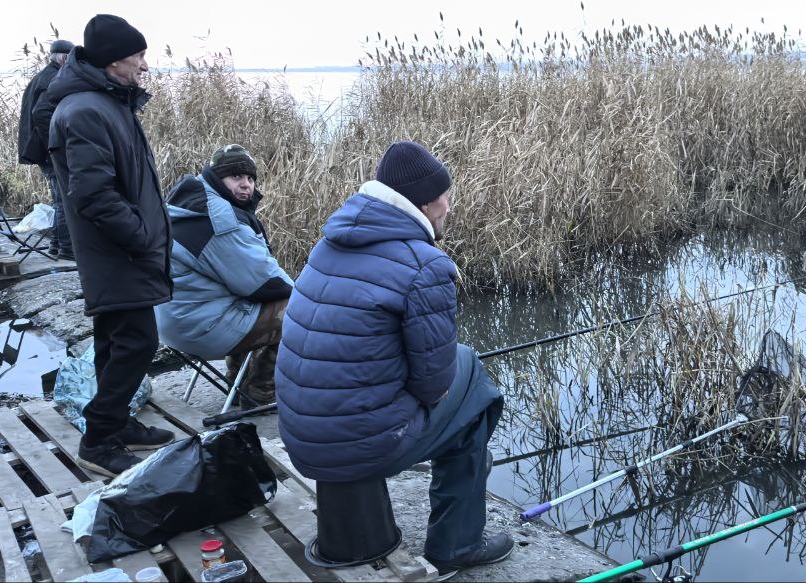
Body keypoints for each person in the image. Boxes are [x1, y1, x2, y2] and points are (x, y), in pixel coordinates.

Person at [276, 141, 512, 579]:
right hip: (358, 443)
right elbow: (433, 386)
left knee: (448, 369)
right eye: (446, 196)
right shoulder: (426, 266)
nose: (449, 206)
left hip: (302, 435)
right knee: (476, 394)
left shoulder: (328, 244)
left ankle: (366, 529)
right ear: (424, 203)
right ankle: (457, 545)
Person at [45, 14, 174, 477]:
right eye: (138, 55)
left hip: (121, 248)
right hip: (116, 250)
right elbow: (93, 194)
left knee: (114, 339)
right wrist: (140, 236)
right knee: (138, 342)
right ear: (113, 60)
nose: (144, 64)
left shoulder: (107, 102)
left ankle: (117, 423)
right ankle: (99, 440)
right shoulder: (85, 110)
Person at [155, 145, 291, 405]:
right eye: (236, 176)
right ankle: (260, 392)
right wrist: (306, 293)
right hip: (199, 326)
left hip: (174, 318)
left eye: (250, 178)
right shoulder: (219, 219)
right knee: (301, 310)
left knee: (247, 301)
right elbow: (264, 282)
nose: (246, 184)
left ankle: (236, 381)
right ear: (217, 179)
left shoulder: (190, 203)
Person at [18, 39, 75, 259]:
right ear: (65, 58)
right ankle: (67, 248)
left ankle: (56, 245)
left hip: (42, 150)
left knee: (59, 199)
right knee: (64, 201)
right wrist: (57, 142)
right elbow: (40, 113)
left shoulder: (43, 76)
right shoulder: (54, 78)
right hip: (50, 151)